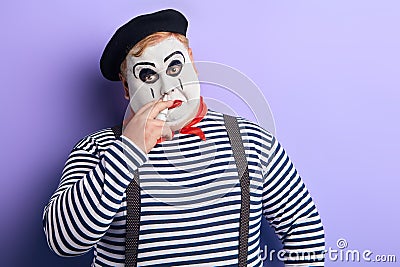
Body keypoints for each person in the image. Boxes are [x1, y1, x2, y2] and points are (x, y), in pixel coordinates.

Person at [43, 9, 325, 267]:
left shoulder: (251, 141)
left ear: (192, 63)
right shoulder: (98, 149)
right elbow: (64, 242)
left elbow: (304, 226)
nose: (168, 88)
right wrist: (128, 150)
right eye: (148, 76)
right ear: (127, 89)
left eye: (174, 68)